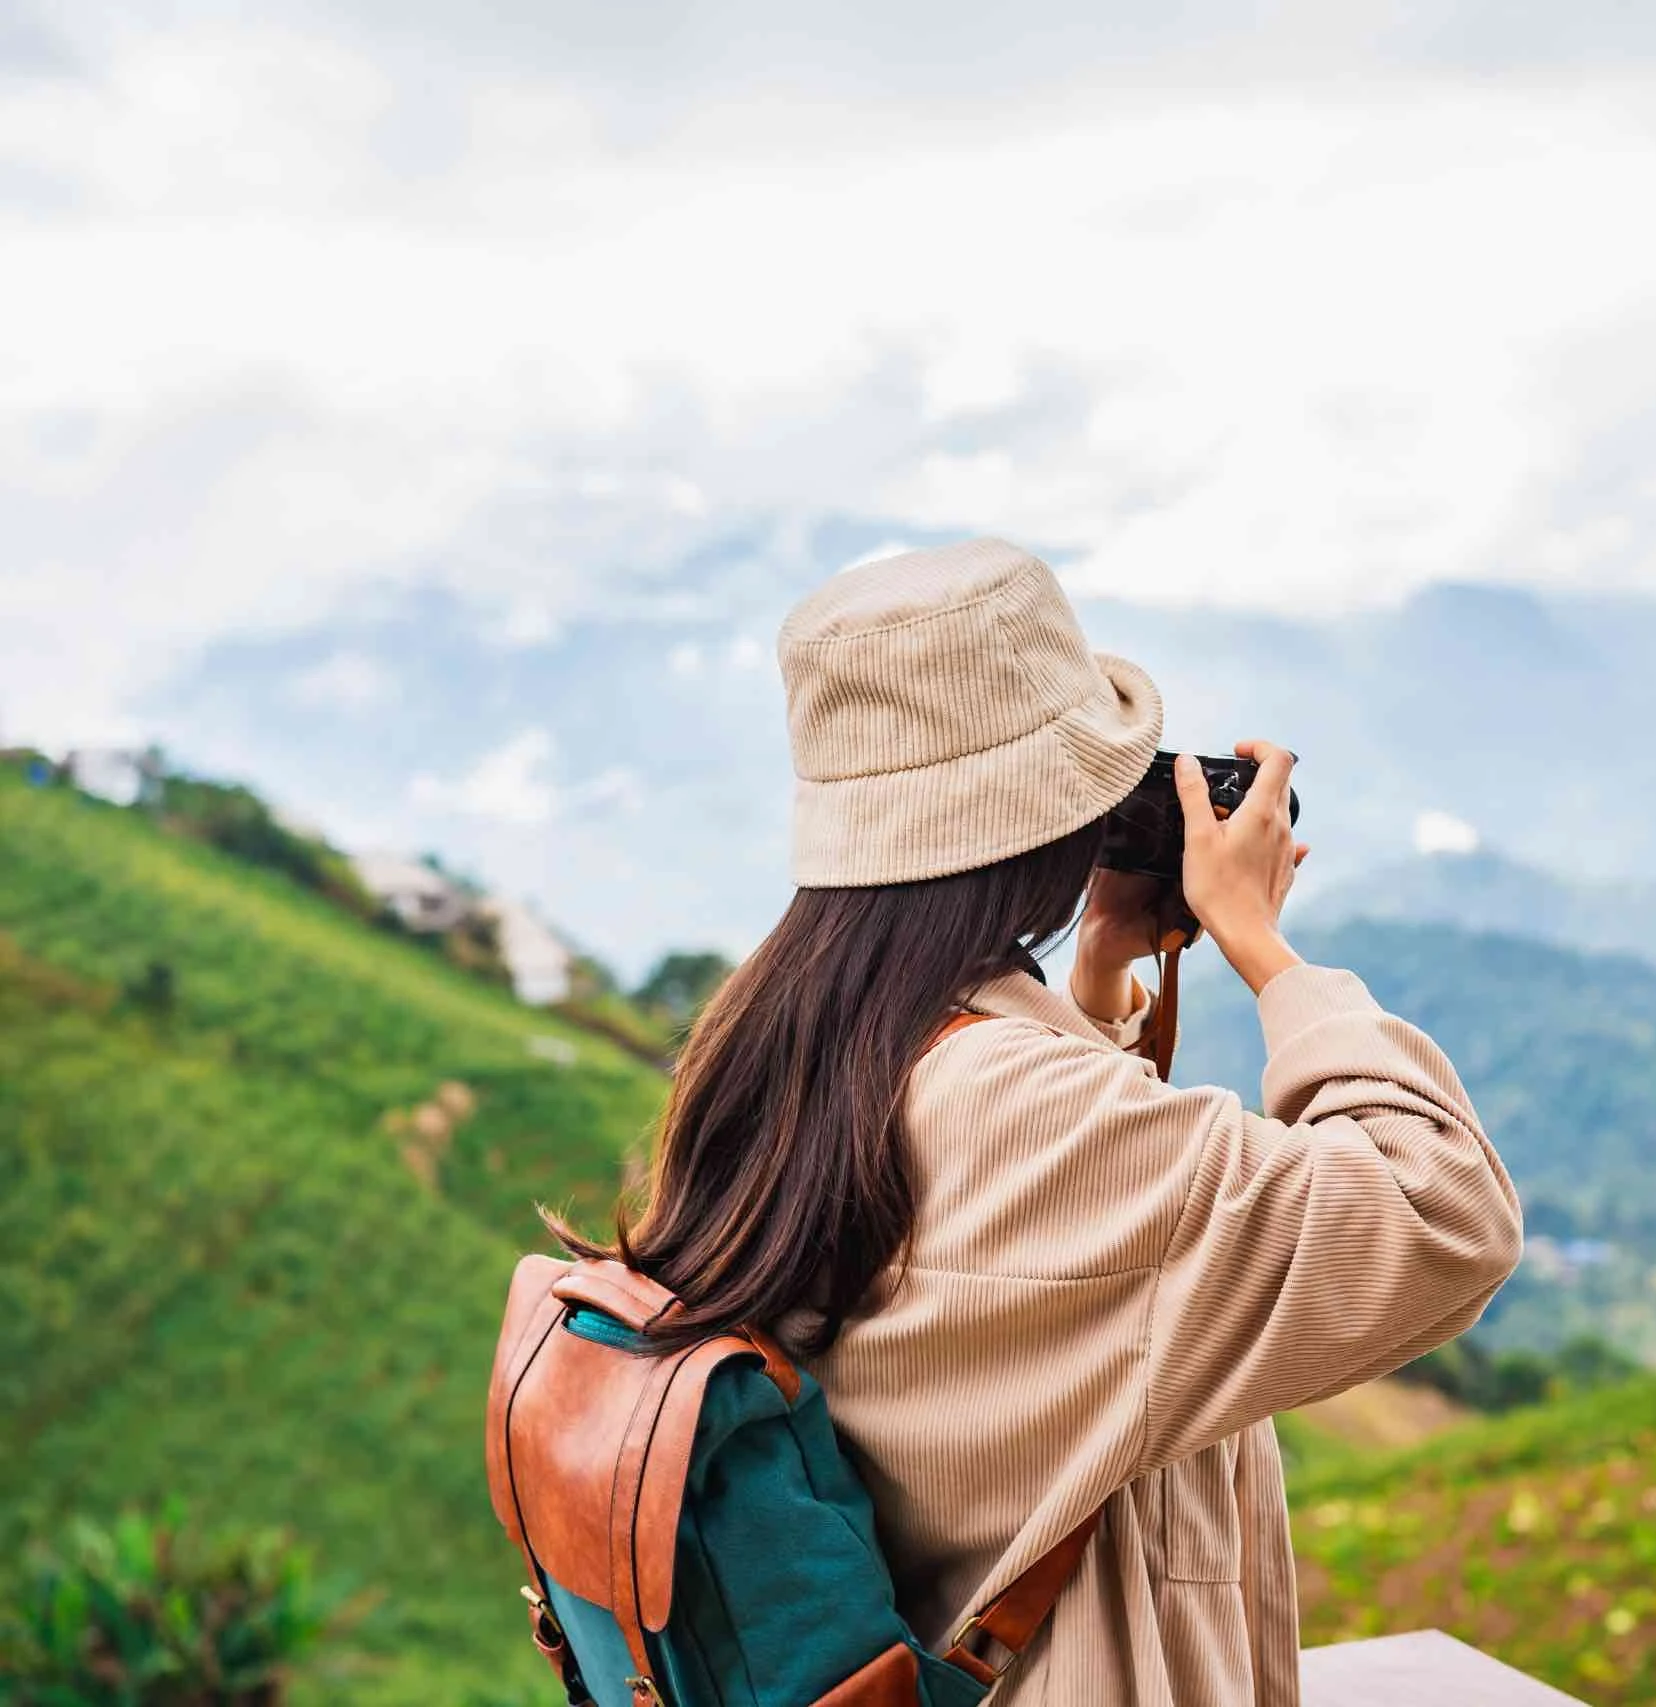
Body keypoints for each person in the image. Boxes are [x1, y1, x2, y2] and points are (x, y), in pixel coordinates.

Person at [564, 538, 1521, 1705]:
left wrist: (1110, 966)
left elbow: (1047, 1250)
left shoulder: (772, 1042)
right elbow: (1441, 1213)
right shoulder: (1024, 1111)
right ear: (1060, 818)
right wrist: (1263, 947)